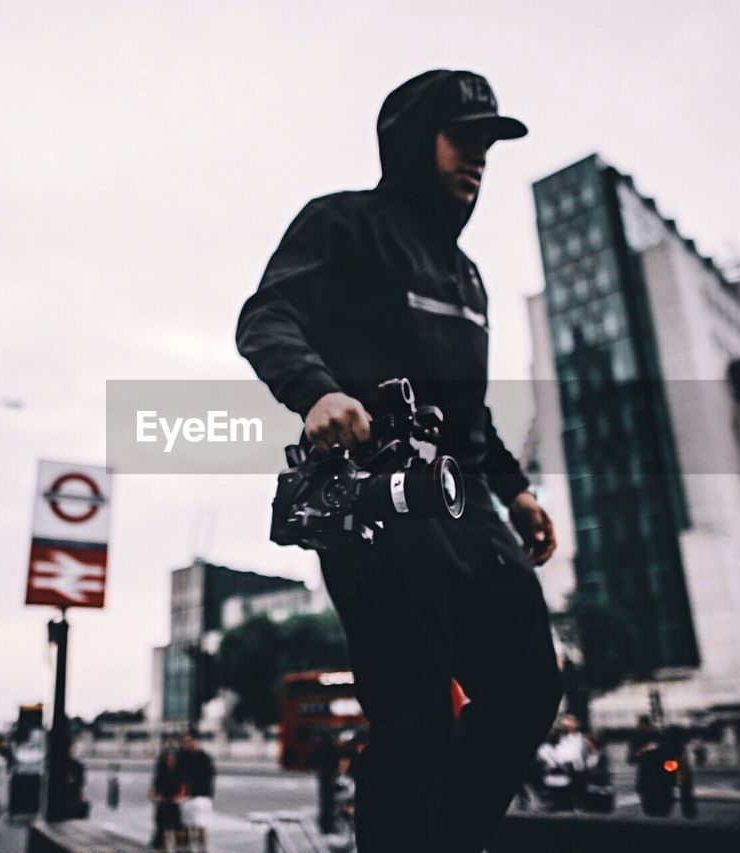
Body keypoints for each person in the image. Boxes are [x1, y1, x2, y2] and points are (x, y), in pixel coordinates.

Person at [237, 69, 563, 853]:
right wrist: (315, 392)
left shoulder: (469, 275)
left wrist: (515, 493)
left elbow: (469, 409)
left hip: (469, 506)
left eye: (491, 143)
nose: (480, 158)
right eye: (465, 138)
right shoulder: (343, 224)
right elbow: (267, 316)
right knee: (413, 716)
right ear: (416, 143)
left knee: (528, 689)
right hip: (377, 498)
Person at [176, 733, 215, 853]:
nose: (189, 744)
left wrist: (208, 794)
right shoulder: (182, 757)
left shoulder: (204, 757)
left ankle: (202, 850)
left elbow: (210, 777)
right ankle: (185, 850)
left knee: (201, 826)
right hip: (186, 797)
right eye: (186, 741)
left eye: (190, 741)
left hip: (201, 797)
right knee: (185, 827)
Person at [148, 748, 185, 851]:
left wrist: (179, 797)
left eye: (173, 760)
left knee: (177, 828)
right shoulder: (160, 774)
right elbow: (153, 790)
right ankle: (161, 847)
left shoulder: (179, 774)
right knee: (161, 829)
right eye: (169, 759)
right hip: (162, 804)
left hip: (174, 804)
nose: (171, 761)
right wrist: (156, 797)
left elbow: (183, 789)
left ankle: (179, 848)